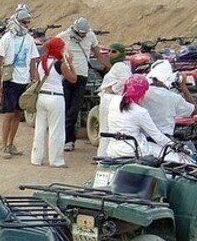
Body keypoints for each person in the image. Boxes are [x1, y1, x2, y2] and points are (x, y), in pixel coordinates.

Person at [57, 17, 110, 152]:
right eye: (81, 34)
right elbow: (50, 46)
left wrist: (110, 67)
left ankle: (69, 139)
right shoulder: (64, 36)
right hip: (67, 77)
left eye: (84, 33)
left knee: (74, 110)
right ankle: (65, 139)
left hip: (82, 78)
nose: (83, 36)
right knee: (65, 108)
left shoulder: (90, 36)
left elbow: (98, 54)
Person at [0, 7, 40, 159]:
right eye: (25, 22)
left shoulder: (29, 39)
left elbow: (33, 60)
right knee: (8, 113)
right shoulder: (7, 39)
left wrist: (34, 79)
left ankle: (11, 143)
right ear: (18, 22)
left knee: (18, 114)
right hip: (10, 80)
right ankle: (4, 145)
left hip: (24, 81)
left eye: (28, 22)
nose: (27, 25)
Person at [31, 37, 76, 168]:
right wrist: (70, 63)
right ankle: (56, 160)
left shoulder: (42, 62)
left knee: (40, 129)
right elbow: (73, 79)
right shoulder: (59, 64)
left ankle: (36, 158)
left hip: (42, 97)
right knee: (56, 130)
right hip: (55, 97)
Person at [105, 74, 172, 159]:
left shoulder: (113, 102)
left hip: (113, 151)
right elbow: (157, 136)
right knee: (169, 156)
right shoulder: (140, 112)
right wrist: (174, 145)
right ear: (142, 92)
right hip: (133, 152)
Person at [141, 59, 196, 136]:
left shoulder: (141, 93)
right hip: (165, 140)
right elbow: (193, 111)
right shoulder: (173, 97)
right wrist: (183, 86)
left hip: (143, 139)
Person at [97, 42, 132, 157]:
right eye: (109, 51)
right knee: (106, 127)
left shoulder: (120, 66)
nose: (110, 54)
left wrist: (113, 89)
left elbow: (125, 80)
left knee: (106, 127)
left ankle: (104, 156)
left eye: (114, 52)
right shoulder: (118, 66)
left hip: (110, 99)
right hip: (110, 98)